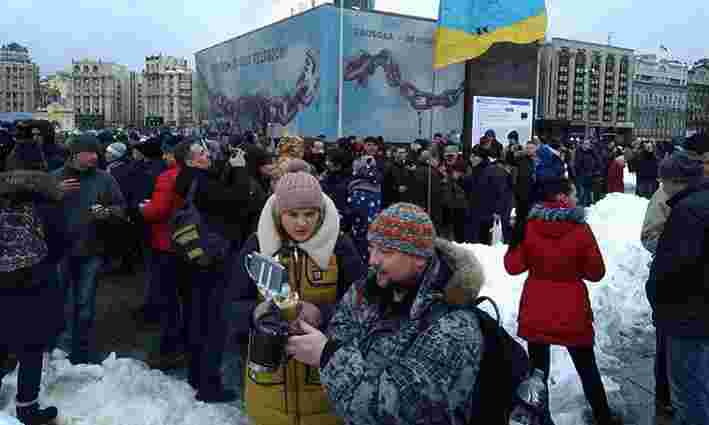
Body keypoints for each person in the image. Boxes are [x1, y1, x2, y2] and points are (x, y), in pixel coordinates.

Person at [287, 203, 487, 424]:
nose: (372, 260)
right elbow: (341, 329)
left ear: (419, 259)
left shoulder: (454, 326)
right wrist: (319, 319)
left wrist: (329, 356)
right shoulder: (369, 289)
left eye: (386, 251)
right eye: (372, 248)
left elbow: (400, 411)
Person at [230, 171, 365, 425]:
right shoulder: (257, 246)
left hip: (326, 391)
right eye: (292, 214)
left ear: (321, 213)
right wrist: (254, 314)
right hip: (269, 391)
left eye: (309, 214)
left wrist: (323, 314)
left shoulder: (340, 246)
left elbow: (365, 307)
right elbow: (229, 308)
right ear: (279, 214)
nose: (301, 223)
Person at [504, 178, 621, 425]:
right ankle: (604, 418)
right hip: (572, 310)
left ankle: (538, 419)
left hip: (537, 308)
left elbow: (513, 267)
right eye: (574, 193)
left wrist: (517, 238)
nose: (577, 198)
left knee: (537, 374)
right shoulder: (581, 229)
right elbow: (595, 272)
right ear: (561, 198)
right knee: (588, 370)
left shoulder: (529, 226)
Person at [0, 138, 66, 425]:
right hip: (35, 279)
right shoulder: (48, 199)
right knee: (31, 346)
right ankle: (27, 408)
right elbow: (59, 242)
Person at [646, 150, 709, 425]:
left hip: (686, 315)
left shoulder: (687, 210)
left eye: (664, 181)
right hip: (697, 309)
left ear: (677, 181)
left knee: (687, 390)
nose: (661, 186)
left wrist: (655, 292)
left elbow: (674, 269)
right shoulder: (700, 202)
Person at [53, 134, 126, 365]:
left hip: (91, 250)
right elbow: (38, 213)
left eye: (97, 152)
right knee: (59, 302)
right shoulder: (54, 178)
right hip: (60, 251)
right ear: (75, 154)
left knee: (85, 304)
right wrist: (54, 192)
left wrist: (107, 213)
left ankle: (81, 351)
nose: (96, 156)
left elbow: (121, 208)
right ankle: (59, 351)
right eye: (90, 152)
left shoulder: (105, 179)